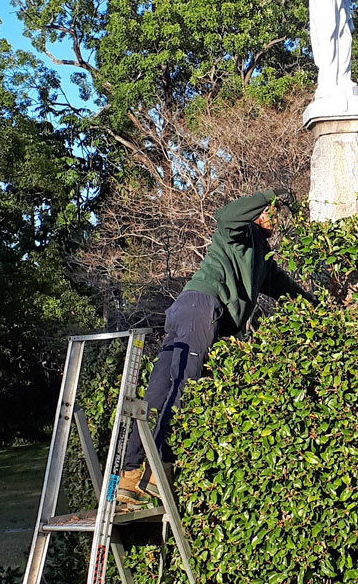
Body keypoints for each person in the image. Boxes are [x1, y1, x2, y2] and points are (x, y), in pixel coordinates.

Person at [118, 189, 313, 504]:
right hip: (200, 306)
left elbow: (284, 287)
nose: (273, 218)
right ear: (258, 213)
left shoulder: (260, 257)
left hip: (186, 309)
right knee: (184, 384)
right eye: (269, 211)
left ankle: (130, 474)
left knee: (158, 390)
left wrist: (315, 305)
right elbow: (224, 217)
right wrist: (267, 195)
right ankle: (159, 467)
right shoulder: (241, 232)